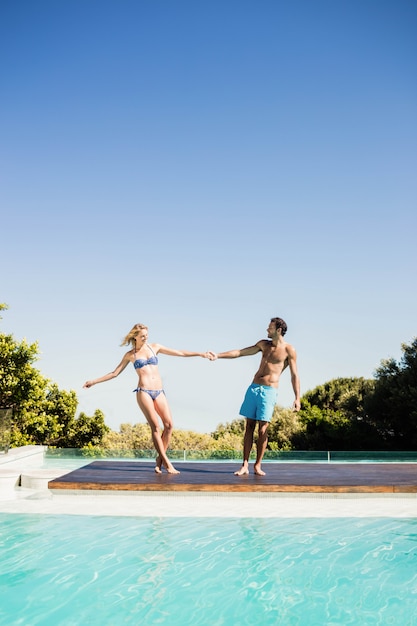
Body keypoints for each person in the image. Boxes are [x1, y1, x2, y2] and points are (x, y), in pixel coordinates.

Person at [84, 323, 213, 474]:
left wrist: (200, 354)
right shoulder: (130, 355)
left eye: (147, 335)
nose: (145, 337)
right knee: (156, 427)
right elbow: (114, 373)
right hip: (143, 392)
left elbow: (179, 352)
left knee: (169, 425)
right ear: (135, 337)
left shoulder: (154, 347)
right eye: (142, 335)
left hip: (159, 391)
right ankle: (167, 463)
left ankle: (159, 460)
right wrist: (93, 381)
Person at [212, 317, 300, 476]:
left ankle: (258, 465)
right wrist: (218, 355)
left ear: (279, 330)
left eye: (270, 327)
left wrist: (297, 397)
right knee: (249, 427)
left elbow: (294, 375)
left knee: (262, 429)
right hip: (253, 388)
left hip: (269, 391)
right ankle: (245, 465)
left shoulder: (289, 350)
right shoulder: (263, 344)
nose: (267, 330)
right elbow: (240, 352)